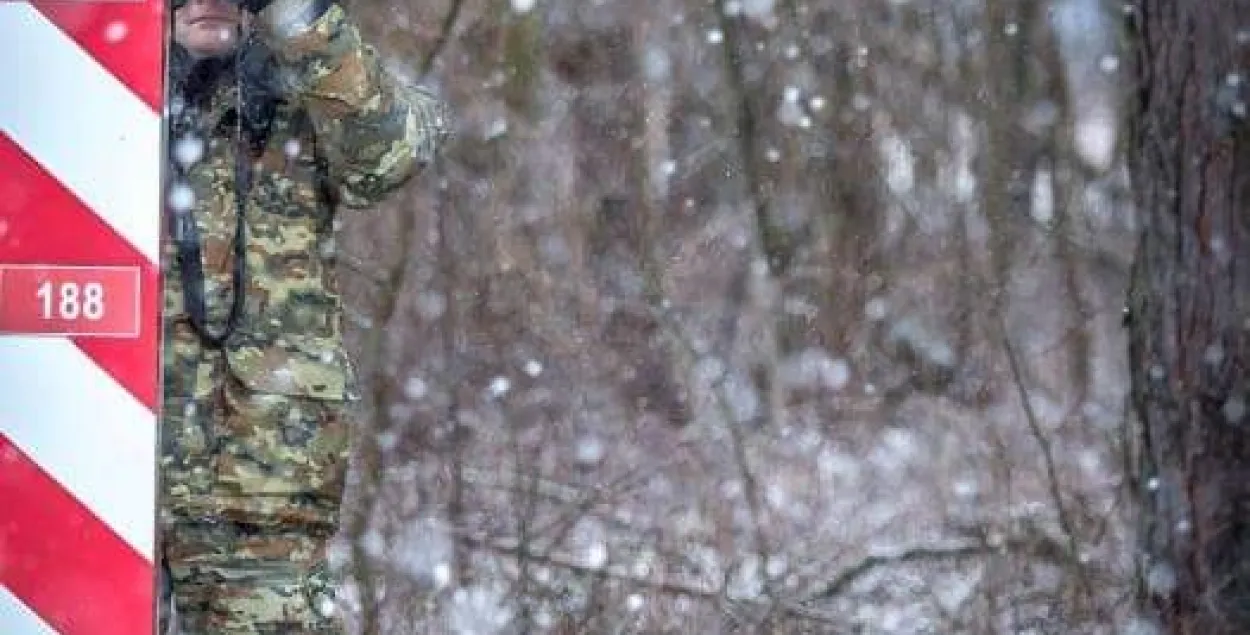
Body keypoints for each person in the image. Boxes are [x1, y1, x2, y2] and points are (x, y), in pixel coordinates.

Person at [159, 0, 449, 632]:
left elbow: (390, 154)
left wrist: (298, 18)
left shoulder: (303, 90)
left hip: (263, 488)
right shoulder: (79, 98)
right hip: (94, 464)